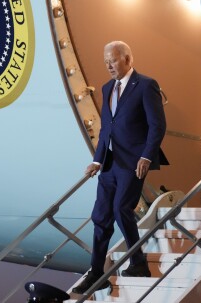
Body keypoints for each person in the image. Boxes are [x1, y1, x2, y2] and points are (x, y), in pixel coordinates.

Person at [72, 41, 168, 294]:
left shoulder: (146, 85)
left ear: (127, 59)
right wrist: (97, 160)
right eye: (106, 62)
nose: (108, 66)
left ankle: (139, 263)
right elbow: (107, 128)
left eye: (112, 61)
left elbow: (157, 126)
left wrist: (147, 157)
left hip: (134, 163)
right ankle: (96, 273)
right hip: (110, 163)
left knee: (120, 208)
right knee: (101, 216)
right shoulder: (106, 88)